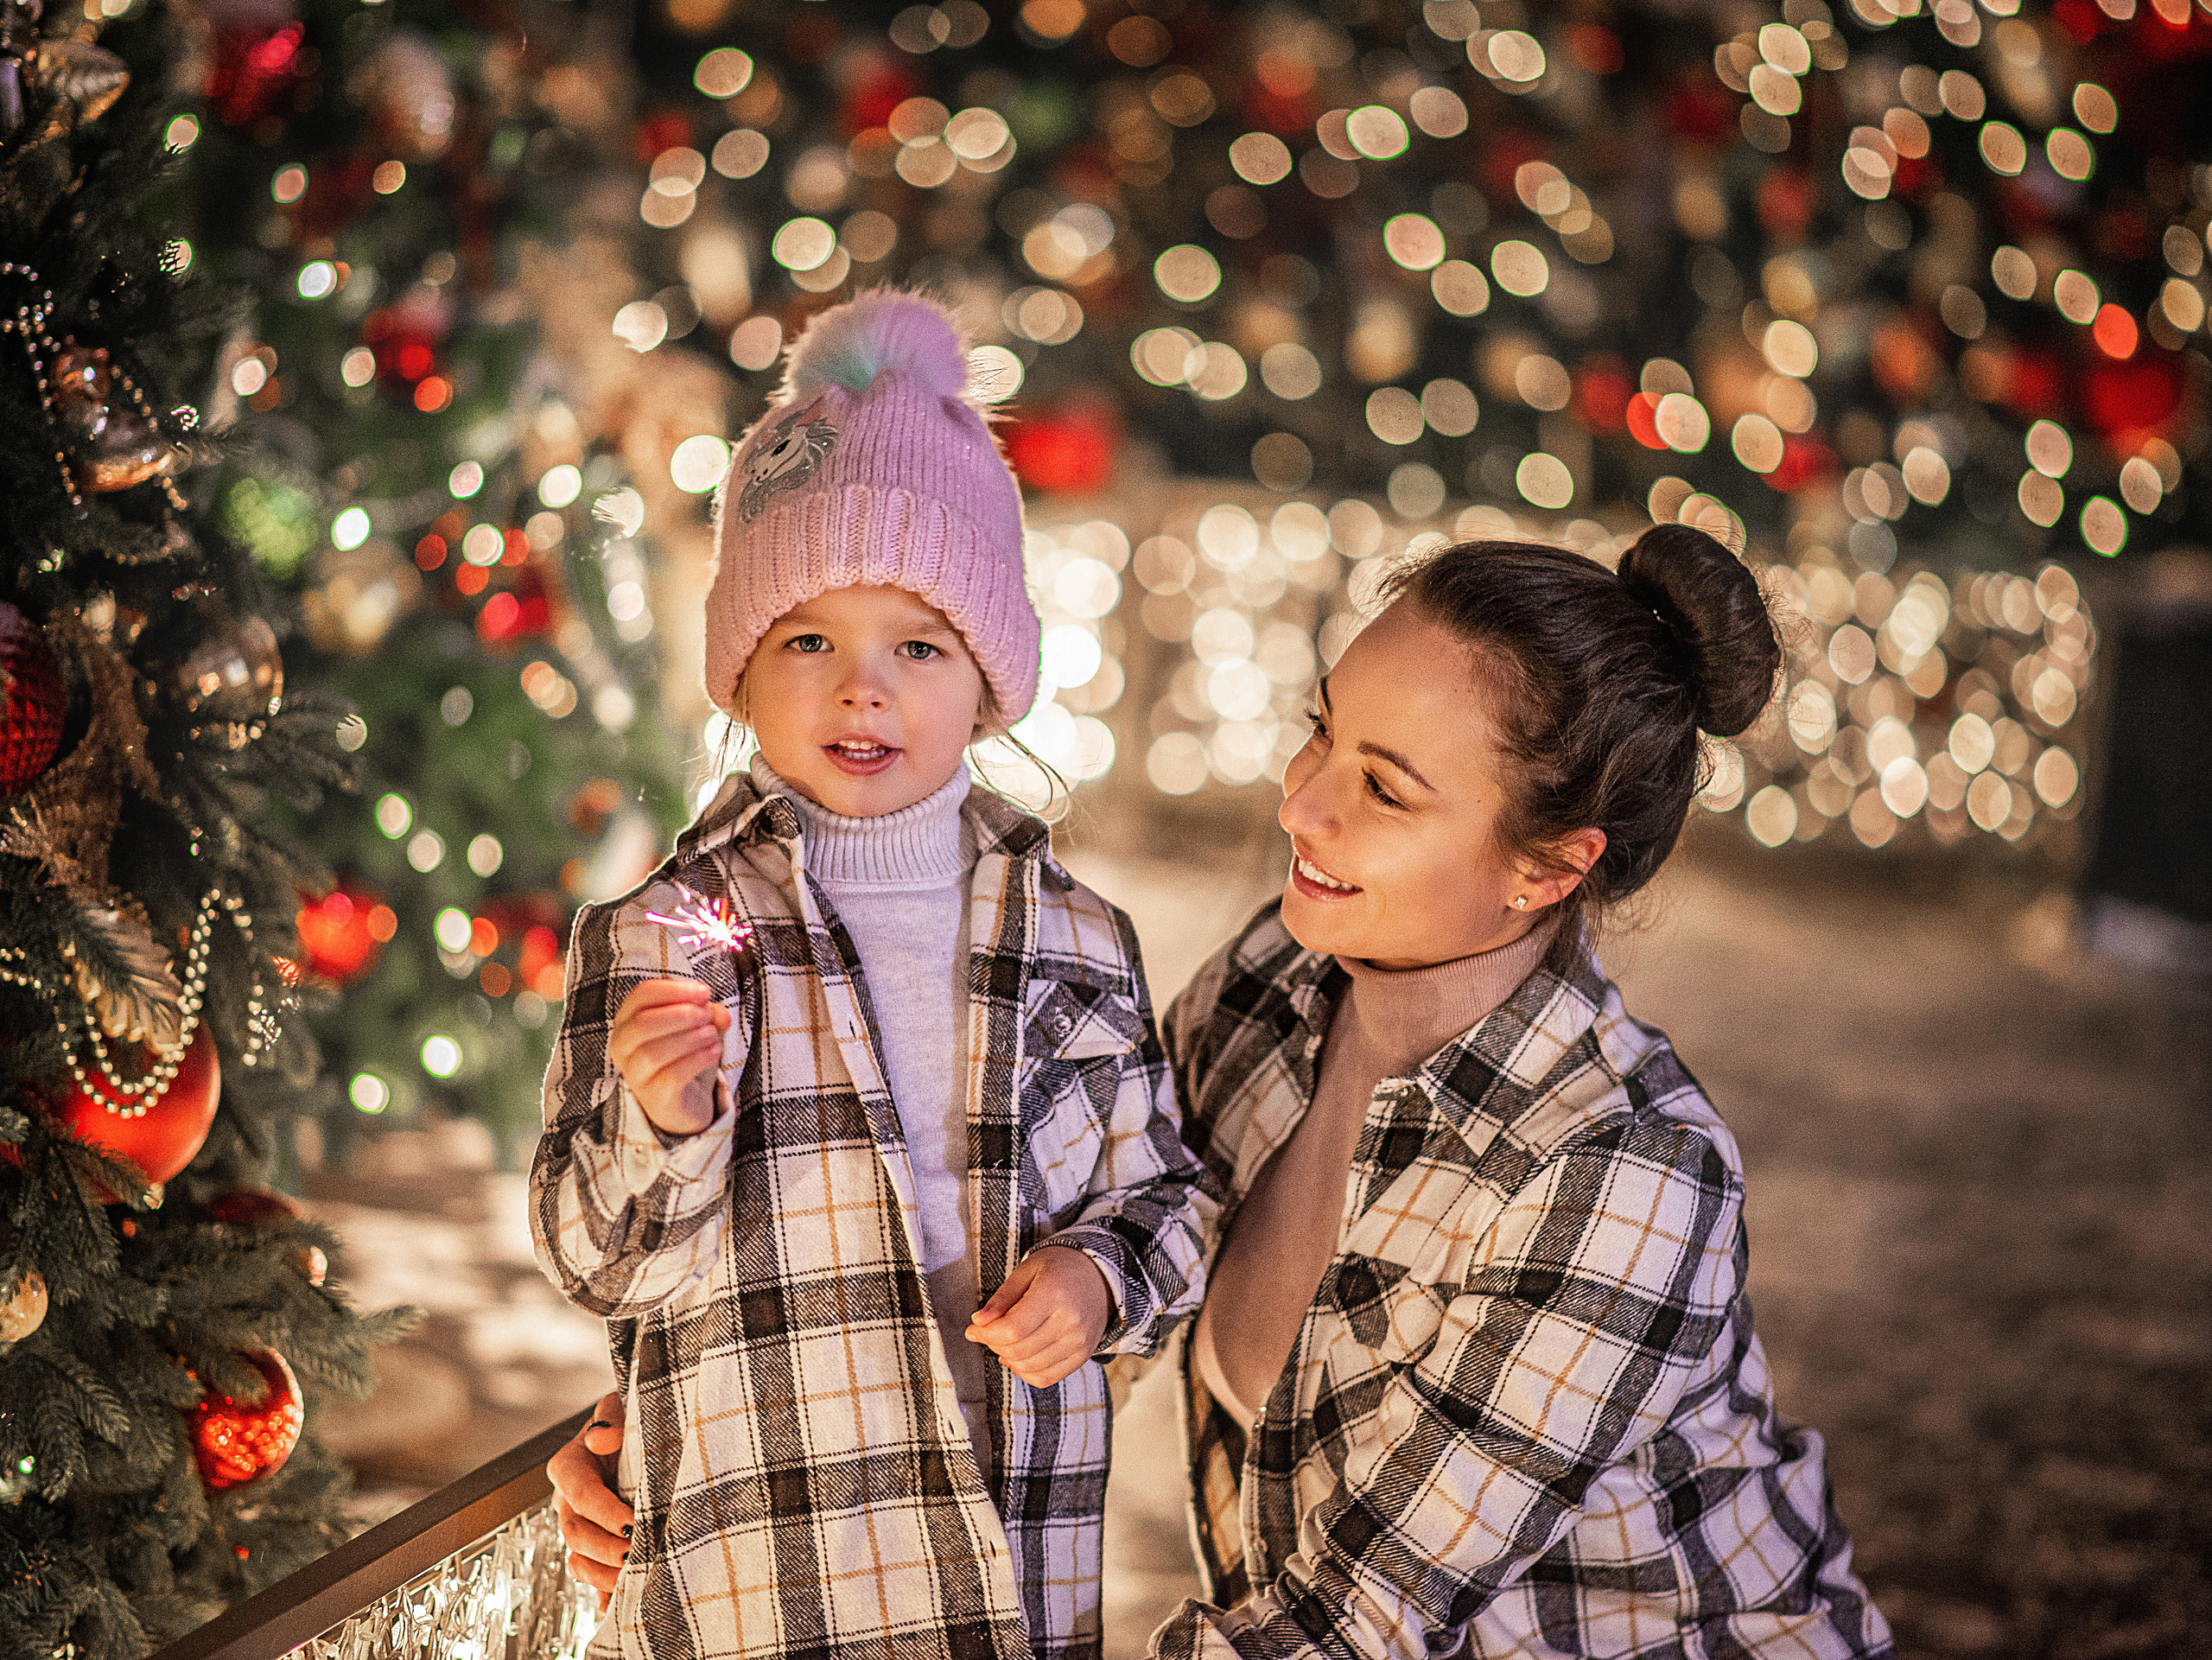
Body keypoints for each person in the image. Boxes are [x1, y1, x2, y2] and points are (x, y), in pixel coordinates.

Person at [550, 524, 1893, 1656]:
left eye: (1384, 789)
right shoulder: (1276, 982)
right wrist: (689, 1432)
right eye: (1323, 734)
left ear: (1545, 867)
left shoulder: (1627, 1169)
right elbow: (1081, 1256)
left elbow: (1353, 1622)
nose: (1301, 806)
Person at [531, 289, 1215, 1660]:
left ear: (990, 677)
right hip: (758, 1572)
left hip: (1006, 1559)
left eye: (918, 643)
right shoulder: (666, 934)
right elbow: (594, 1257)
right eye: (809, 639)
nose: (864, 689)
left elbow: (1172, 1204)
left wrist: (1098, 1276)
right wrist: (662, 1127)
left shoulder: (1076, 941)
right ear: (739, 671)